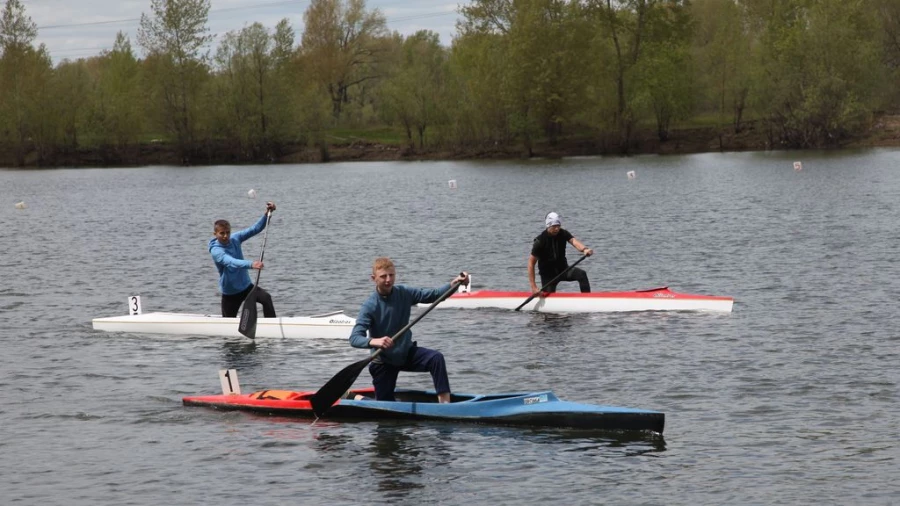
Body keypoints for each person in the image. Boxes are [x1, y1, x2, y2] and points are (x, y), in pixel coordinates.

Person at [349, 257, 469, 403]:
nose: (388, 280)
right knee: (386, 407)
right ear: (373, 278)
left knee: (436, 359)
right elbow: (354, 338)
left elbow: (434, 294)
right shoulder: (370, 306)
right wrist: (375, 341)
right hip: (383, 362)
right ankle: (357, 398)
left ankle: (445, 404)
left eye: (391, 275)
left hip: (406, 353)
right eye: (383, 276)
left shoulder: (404, 293)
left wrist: (455, 283)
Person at [208, 201, 277, 318]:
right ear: (215, 234)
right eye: (222, 233)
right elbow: (231, 262)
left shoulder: (235, 238)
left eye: (228, 232)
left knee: (266, 298)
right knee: (228, 325)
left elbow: (254, 229)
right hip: (230, 293)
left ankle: (271, 324)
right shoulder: (216, 251)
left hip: (246, 287)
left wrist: (267, 215)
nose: (225, 236)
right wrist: (251, 264)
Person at [528, 211, 593, 293]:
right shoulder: (540, 241)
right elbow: (531, 263)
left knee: (582, 274)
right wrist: (533, 287)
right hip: (548, 276)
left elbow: (573, 241)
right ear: (548, 225)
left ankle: (586, 300)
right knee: (549, 298)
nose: (557, 229)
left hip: (563, 270)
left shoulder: (563, 233)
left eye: (558, 226)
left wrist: (584, 249)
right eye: (554, 226)